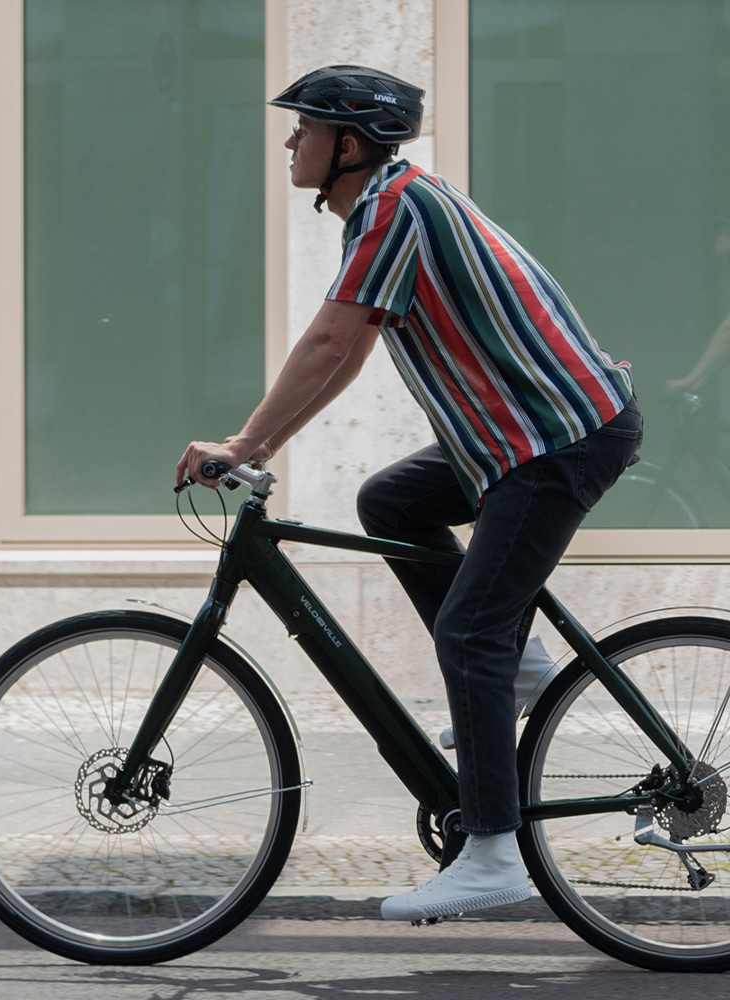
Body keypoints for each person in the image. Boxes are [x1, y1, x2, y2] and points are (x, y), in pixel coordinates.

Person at [176, 65, 642, 923]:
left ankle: (495, 854)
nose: (290, 141)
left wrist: (241, 444)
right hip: (515, 437)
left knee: (470, 628)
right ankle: (525, 672)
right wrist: (263, 445)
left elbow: (326, 341)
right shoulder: (388, 206)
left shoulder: (395, 206)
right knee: (391, 503)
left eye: (304, 129)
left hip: (556, 436)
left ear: (348, 145)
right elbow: (348, 350)